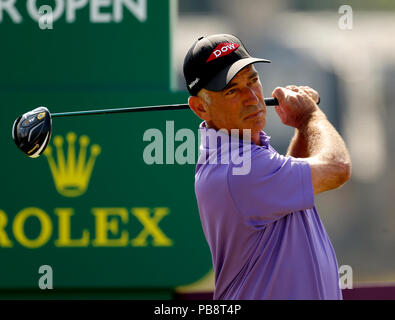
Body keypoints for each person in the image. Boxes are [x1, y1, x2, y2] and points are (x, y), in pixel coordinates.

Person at [183, 34, 351, 300]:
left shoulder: (244, 154)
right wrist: (311, 116)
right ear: (201, 108)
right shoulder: (239, 168)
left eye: (252, 80)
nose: (251, 98)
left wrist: (301, 127)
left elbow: (288, 192)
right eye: (232, 90)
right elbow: (337, 168)